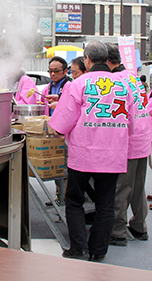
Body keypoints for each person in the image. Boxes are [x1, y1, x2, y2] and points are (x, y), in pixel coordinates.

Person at [50, 41, 134, 262]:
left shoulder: (79, 84)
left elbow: (61, 124)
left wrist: (56, 129)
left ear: (87, 59)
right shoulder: (124, 84)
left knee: (75, 200)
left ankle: (78, 247)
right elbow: (132, 122)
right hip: (113, 154)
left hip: (83, 154)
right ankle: (99, 251)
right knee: (105, 203)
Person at [105, 44, 151, 247]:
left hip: (128, 143)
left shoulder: (115, 81)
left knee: (121, 189)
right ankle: (140, 227)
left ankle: (118, 231)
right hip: (143, 140)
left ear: (107, 61)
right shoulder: (133, 77)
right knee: (137, 188)